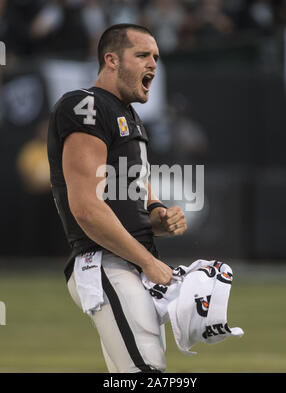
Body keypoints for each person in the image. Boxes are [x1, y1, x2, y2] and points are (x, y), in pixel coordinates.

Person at [47, 23, 187, 373]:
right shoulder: (85, 105)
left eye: (155, 56)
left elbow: (137, 199)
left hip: (130, 263)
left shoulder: (131, 116)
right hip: (107, 262)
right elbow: (88, 209)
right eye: (142, 55)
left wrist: (161, 216)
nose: (152, 63)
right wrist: (150, 263)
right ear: (111, 60)